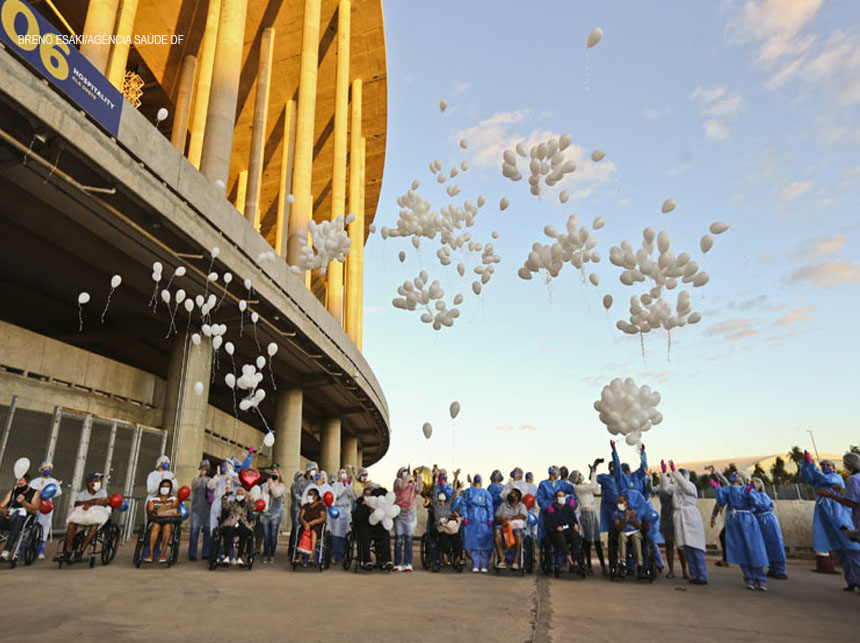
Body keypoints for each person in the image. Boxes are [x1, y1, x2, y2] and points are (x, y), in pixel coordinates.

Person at [801, 451, 860, 591]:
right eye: (822, 465)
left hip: (838, 514)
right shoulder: (819, 479)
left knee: (851, 547)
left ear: (834, 468)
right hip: (824, 515)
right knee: (840, 550)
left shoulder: (836, 478)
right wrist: (806, 465)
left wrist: (812, 466)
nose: (825, 467)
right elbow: (808, 477)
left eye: (828, 465)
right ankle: (852, 581)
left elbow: (824, 480)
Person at [610, 441, 664, 570]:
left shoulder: (633, 477)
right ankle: (634, 565)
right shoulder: (626, 478)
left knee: (647, 537)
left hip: (641, 511)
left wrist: (642, 453)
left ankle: (650, 563)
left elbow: (642, 467)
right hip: (628, 512)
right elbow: (620, 467)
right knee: (632, 536)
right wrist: (615, 452)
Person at [712, 470, 769, 590]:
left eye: (737, 475)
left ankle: (760, 579)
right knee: (740, 549)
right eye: (734, 474)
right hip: (734, 521)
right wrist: (718, 490)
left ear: (741, 478)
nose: (735, 476)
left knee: (754, 548)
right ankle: (749, 578)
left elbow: (757, 504)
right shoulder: (727, 489)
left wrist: (751, 494)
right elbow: (721, 502)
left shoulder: (746, 489)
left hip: (748, 519)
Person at [666, 461, 707, 584]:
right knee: (687, 548)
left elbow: (685, 485)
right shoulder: (676, 489)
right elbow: (665, 488)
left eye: (681, 474)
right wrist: (664, 474)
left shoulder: (690, 486)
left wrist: (675, 472)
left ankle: (702, 576)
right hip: (679, 517)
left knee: (696, 547)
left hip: (690, 516)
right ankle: (694, 575)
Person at [63, 473, 109, 561]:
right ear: (89, 483)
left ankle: (81, 550)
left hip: (96, 518)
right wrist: (92, 502)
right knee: (72, 524)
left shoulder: (102, 492)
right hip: (82, 517)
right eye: (96, 481)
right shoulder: (82, 494)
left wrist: (88, 503)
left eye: (99, 481)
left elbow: (103, 502)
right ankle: (68, 550)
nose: (98, 483)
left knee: (94, 525)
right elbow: (77, 504)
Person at [749, 476, 786, 580]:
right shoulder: (751, 495)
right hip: (757, 520)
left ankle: (780, 569)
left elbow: (761, 505)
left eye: (753, 482)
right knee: (762, 545)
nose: (751, 484)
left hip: (767, 520)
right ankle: (772, 567)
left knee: (774, 543)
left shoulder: (762, 495)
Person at [573, 463, 606, 576]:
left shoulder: (585, 486)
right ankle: (588, 565)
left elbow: (596, 490)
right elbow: (592, 487)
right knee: (588, 540)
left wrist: (593, 474)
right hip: (586, 513)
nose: (581, 477)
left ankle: (602, 566)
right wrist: (593, 472)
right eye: (580, 475)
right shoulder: (578, 488)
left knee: (597, 539)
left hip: (593, 512)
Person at [0, 474, 40, 561]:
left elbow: (34, 510)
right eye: (17, 481)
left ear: (28, 483)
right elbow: (1, 506)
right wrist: (4, 512)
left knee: (19, 519)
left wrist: (23, 502)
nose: (18, 482)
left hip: (24, 520)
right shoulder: (13, 492)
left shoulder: (34, 493)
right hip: (9, 517)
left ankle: (6, 551)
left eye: (21, 481)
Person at [658, 461, 687, 579]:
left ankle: (685, 571)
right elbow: (660, 488)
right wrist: (663, 474)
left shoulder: (680, 488)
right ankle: (671, 571)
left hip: (678, 518)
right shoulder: (664, 488)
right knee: (669, 545)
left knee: (681, 546)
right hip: (667, 519)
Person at [461, 474, 494, 573]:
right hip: (472, 518)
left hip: (483, 518)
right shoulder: (468, 492)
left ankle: (484, 564)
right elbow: (464, 505)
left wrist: (490, 518)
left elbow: (490, 506)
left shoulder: (485, 493)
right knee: (473, 542)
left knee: (485, 541)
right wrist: (465, 516)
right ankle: (475, 564)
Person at [536, 466, 575, 549]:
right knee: (545, 532)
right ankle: (546, 556)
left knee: (560, 532)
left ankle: (560, 556)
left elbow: (572, 490)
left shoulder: (561, 483)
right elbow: (539, 498)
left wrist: (571, 500)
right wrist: (546, 506)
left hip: (559, 510)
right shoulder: (543, 484)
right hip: (547, 511)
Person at [143, 479, 181, 563]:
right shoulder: (153, 499)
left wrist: (159, 511)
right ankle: (150, 555)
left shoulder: (173, 498)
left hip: (169, 521)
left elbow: (174, 509)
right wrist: (167, 510)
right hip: (155, 521)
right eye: (163, 486)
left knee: (167, 527)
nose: (165, 488)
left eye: (167, 487)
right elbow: (150, 512)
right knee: (155, 526)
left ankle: (162, 555)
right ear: (159, 488)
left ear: (170, 488)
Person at [30, 461, 61, 560]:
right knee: (31, 525)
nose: (46, 470)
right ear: (41, 470)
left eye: (49, 468)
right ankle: (25, 548)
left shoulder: (53, 481)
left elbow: (58, 492)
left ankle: (40, 550)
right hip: (35, 504)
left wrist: (48, 493)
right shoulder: (35, 481)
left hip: (46, 505)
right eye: (44, 468)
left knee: (45, 526)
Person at [393, 466, 421, 571]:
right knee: (399, 539)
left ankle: (408, 563)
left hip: (410, 513)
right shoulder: (397, 481)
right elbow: (402, 486)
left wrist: (419, 476)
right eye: (403, 471)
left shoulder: (412, 484)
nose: (405, 473)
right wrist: (407, 477)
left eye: (406, 471)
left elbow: (419, 489)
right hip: (399, 513)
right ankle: (397, 563)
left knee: (408, 539)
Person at [545, 489, 582, 571]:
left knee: (575, 536)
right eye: (560, 496)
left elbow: (574, 521)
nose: (562, 498)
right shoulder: (551, 509)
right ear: (555, 499)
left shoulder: (568, 508)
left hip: (568, 530)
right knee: (559, 537)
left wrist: (575, 525)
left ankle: (575, 561)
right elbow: (548, 523)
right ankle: (569, 560)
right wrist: (556, 527)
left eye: (563, 496)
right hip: (556, 532)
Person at [219, 486, 254, 565]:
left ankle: (240, 557)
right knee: (228, 531)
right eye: (238, 493)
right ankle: (227, 556)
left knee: (244, 532)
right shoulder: (232, 503)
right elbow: (224, 506)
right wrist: (225, 496)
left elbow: (252, 508)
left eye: (241, 494)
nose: (239, 495)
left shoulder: (246, 504)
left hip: (242, 522)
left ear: (244, 495)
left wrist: (251, 499)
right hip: (231, 521)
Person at [614, 494, 645, 578]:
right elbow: (618, 528)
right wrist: (626, 520)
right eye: (618, 502)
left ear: (626, 503)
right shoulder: (616, 513)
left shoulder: (633, 511)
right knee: (621, 536)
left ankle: (640, 565)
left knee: (636, 537)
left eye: (621, 502)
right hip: (624, 531)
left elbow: (640, 527)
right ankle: (623, 563)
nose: (619, 504)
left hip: (634, 531)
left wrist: (633, 518)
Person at [260, 465, 286, 564]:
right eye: (273, 473)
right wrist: (268, 484)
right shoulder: (267, 484)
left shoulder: (281, 486)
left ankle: (272, 554)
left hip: (276, 513)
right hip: (266, 513)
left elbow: (276, 494)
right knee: (266, 535)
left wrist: (272, 485)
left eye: (276, 473)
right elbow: (264, 494)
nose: (274, 475)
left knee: (273, 534)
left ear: (279, 475)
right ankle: (266, 554)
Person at [188, 460, 211, 561]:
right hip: (197, 508)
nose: (205, 470)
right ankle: (192, 553)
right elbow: (194, 487)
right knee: (194, 531)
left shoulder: (211, 480)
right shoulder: (195, 479)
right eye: (203, 468)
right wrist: (200, 477)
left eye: (207, 469)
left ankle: (206, 553)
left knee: (207, 531)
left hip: (208, 508)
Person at [208, 459, 238, 535]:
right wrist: (217, 476)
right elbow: (210, 486)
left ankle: (227, 546)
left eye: (227, 464)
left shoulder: (234, 477)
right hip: (217, 503)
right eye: (224, 464)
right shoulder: (218, 477)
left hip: (229, 504)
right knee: (214, 527)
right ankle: (214, 543)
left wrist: (232, 472)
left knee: (228, 527)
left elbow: (241, 481)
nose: (225, 466)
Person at [289, 463, 315, 553]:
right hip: (298, 508)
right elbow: (295, 494)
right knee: (296, 528)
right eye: (313, 469)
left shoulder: (314, 482)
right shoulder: (300, 481)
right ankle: (293, 550)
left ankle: (305, 549)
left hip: (310, 508)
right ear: (308, 470)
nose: (314, 471)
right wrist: (303, 501)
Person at [329, 468, 353, 564]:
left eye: (344, 473)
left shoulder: (347, 484)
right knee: (336, 532)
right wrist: (342, 486)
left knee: (344, 533)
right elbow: (337, 495)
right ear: (339, 475)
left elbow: (350, 494)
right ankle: (334, 554)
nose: (343, 474)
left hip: (346, 510)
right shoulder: (335, 484)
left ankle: (341, 554)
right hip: (337, 509)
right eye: (341, 473)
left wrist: (349, 484)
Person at [297, 488, 326, 562]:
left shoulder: (321, 506)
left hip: (316, 526)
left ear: (316, 497)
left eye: (311, 494)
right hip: (305, 526)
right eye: (308, 494)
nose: (309, 496)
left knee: (313, 532)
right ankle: (300, 556)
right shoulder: (305, 506)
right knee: (304, 532)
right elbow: (300, 517)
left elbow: (323, 518)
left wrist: (314, 522)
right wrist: (305, 523)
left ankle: (311, 554)